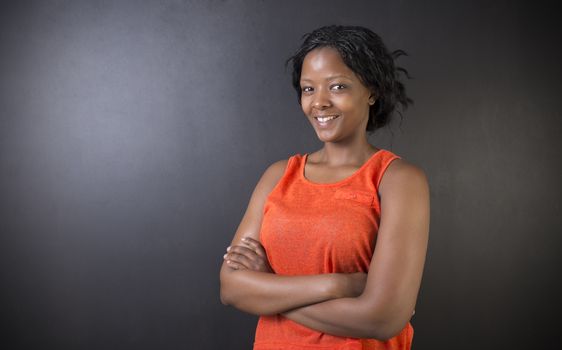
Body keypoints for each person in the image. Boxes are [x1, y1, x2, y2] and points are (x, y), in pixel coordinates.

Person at [219, 25, 430, 350]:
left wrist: (269, 290)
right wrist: (340, 284)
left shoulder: (398, 180)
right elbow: (231, 288)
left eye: (337, 86)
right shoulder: (278, 176)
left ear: (371, 91)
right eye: (308, 89)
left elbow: (384, 318)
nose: (319, 103)